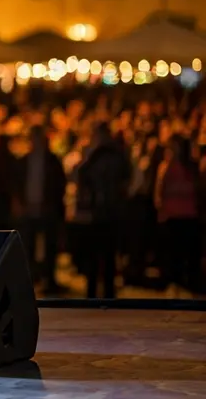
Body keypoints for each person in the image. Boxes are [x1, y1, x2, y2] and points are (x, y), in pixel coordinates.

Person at [72, 123, 130, 299]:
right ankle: (97, 292)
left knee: (105, 255)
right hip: (99, 212)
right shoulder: (101, 155)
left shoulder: (110, 156)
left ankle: (104, 292)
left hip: (107, 212)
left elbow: (126, 178)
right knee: (97, 256)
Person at [19, 125, 68, 292]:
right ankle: (31, 279)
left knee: (49, 246)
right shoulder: (25, 161)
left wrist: (53, 202)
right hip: (29, 209)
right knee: (29, 246)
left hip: (47, 209)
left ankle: (49, 280)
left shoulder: (52, 161)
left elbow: (60, 183)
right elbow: (17, 183)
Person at [154, 136, 202, 295]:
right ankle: (174, 282)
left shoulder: (192, 168)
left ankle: (187, 282)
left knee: (186, 253)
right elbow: (159, 193)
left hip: (188, 217)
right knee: (173, 254)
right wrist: (162, 211)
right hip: (173, 217)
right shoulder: (166, 167)